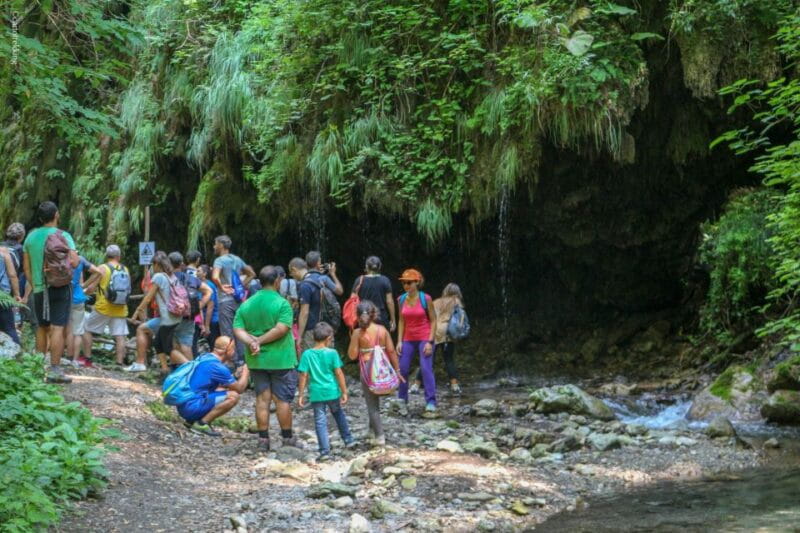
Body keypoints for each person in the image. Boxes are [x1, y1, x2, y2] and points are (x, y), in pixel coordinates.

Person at [233, 265, 300, 452]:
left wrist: (252, 343)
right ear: (277, 281)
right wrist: (260, 341)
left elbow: (237, 329)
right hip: (281, 360)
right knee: (282, 400)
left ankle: (263, 440)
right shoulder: (282, 304)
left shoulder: (247, 304)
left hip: (257, 360)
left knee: (262, 399)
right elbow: (282, 329)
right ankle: (287, 438)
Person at [23, 201, 80, 383]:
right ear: (56, 215)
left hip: (40, 289)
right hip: (61, 287)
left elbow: (26, 268)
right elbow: (75, 262)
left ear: (40, 218)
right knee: (57, 327)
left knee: (41, 326)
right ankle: (55, 369)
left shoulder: (30, 238)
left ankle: (38, 368)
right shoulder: (63, 235)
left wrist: (37, 284)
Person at [297, 321, 355, 460]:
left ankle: (324, 451)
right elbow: (339, 373)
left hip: (316, 393)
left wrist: (301, 394)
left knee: (320, 420)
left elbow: (303, 375)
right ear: (329, 338)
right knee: (338, 413)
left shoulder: (307, 354)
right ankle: (348, 440)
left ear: (313, 337)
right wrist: (344, 391)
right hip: (332, 391)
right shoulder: (332, 353)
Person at [348, 300, 400, 446]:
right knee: (376, 403)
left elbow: (352, 355)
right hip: (382, 371)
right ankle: (371, 431)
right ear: (374, 314)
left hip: (367, 371)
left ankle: (380, 437)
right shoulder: (382, 330)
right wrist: (397, 371)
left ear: (358, 316)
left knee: (372, 406)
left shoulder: (358, 333)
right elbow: (391, 351)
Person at [177, 336, 250, 436]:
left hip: (184, 404)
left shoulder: (205, 357)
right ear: (226, 350)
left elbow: (218, 384)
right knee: (233, 396)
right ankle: (202, 424)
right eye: (233, 348)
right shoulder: (217, 367)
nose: (234, 351)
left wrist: (236, 375)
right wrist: (247, 370)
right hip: (191, 407)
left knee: (220, 390)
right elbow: (240, 388)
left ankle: (191, 421)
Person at [131, 251, 188, 373]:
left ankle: (190, 367)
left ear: (157, 264)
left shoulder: (158, 277)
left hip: (168, 319)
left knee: (168, 349)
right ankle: (165, 369)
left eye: (153, 264)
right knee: (158, 343)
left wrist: (136, 312)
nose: (152, 267)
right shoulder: (171, 276)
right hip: (175, 315)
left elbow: (148, 298)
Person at [396, 269, 437, 415]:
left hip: (424, 337)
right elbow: (401, 321)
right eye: (403, 282)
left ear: (417, 282)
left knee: (426, 369)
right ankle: (402, 400)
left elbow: (433, 320)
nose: (406, 285)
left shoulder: (426, 299)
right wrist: (399, 341)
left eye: (409, 282)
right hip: (407, 338)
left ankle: (431, 401)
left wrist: (430, 342)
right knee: (402, 368)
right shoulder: (401, 299)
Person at [411, 283, 465, 395]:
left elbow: (428, 317)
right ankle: (454, 386)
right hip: (447, 333)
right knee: (449, 359)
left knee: (427, 359)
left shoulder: (436, 301)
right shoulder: (456, 301)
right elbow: (461, 319)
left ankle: (415, 385)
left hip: (433, 331)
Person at [83, 245, 130, 366]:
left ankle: (88, 359)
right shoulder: (125, 269)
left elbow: (91, 288)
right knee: (120, 336)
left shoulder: (102, 268)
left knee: (87, 330)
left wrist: (83, 292)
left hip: (103, 307)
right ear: (119, 256)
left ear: (106, 255)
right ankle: (119, 363)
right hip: (120, 307)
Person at [211, 235, 255, 365]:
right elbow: (252, 273)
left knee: (227, 331)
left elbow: (214, 277)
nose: (214, 246)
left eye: (215, 244)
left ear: (221, 245)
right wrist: (241, 286)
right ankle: (242, 361)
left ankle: (230, 362)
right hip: (238, 300)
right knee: (239, 329)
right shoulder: (237, 259)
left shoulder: (219, 260)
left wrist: (221, 287)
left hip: (225, 300)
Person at [170, 251, 211, 360]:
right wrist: (199, 306)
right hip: (190, 315)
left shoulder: (167, 278)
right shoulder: (192, 277)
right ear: (181, 263)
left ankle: (177, 369)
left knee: (171, 343)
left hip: (172, 315)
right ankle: (190, 370)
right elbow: (209, 291)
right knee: (187, 344)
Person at [290, 257, 333, 352]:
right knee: (326, 361)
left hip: (311, 330)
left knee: (312, 361)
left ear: (294, 269)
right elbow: (338, 291)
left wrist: (299, 336)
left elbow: (304, 312)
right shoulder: (323, 278)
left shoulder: (304, 285)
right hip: (327, 327)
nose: (292, 275)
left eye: (291, 272)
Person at [66, 255, 99, 366]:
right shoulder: (80, 260)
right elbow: (97, 272)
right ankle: (75, 360)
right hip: (79, 299)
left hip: (65, 298)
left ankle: (68, 357)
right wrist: (84, 285)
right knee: (78, 331)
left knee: (68, 330)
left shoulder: (63, 258)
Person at [350, 255, 396, 331]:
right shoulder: (385, 280)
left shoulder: (359, 280)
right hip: (381, 317)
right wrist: (393, 320)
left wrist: (354, 318)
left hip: (363, 317)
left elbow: (352, 300)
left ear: (366, 267)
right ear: (380, 266)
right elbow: (389, 301)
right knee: (381, 341)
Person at [0, 244, 22, 344]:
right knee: (9, 329)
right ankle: (17, 356)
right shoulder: (3, 251)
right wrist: (17, 295)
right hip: (3, 297)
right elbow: (12, 275)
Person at [197, 265, 220, 347]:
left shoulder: (208, 286)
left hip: (212, 320)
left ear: (205, 274)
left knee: (213, 345)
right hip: (210, 319)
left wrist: (206, 326)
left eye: (199, 271)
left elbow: (210, 307)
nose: (196, 273)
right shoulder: (203, 284)